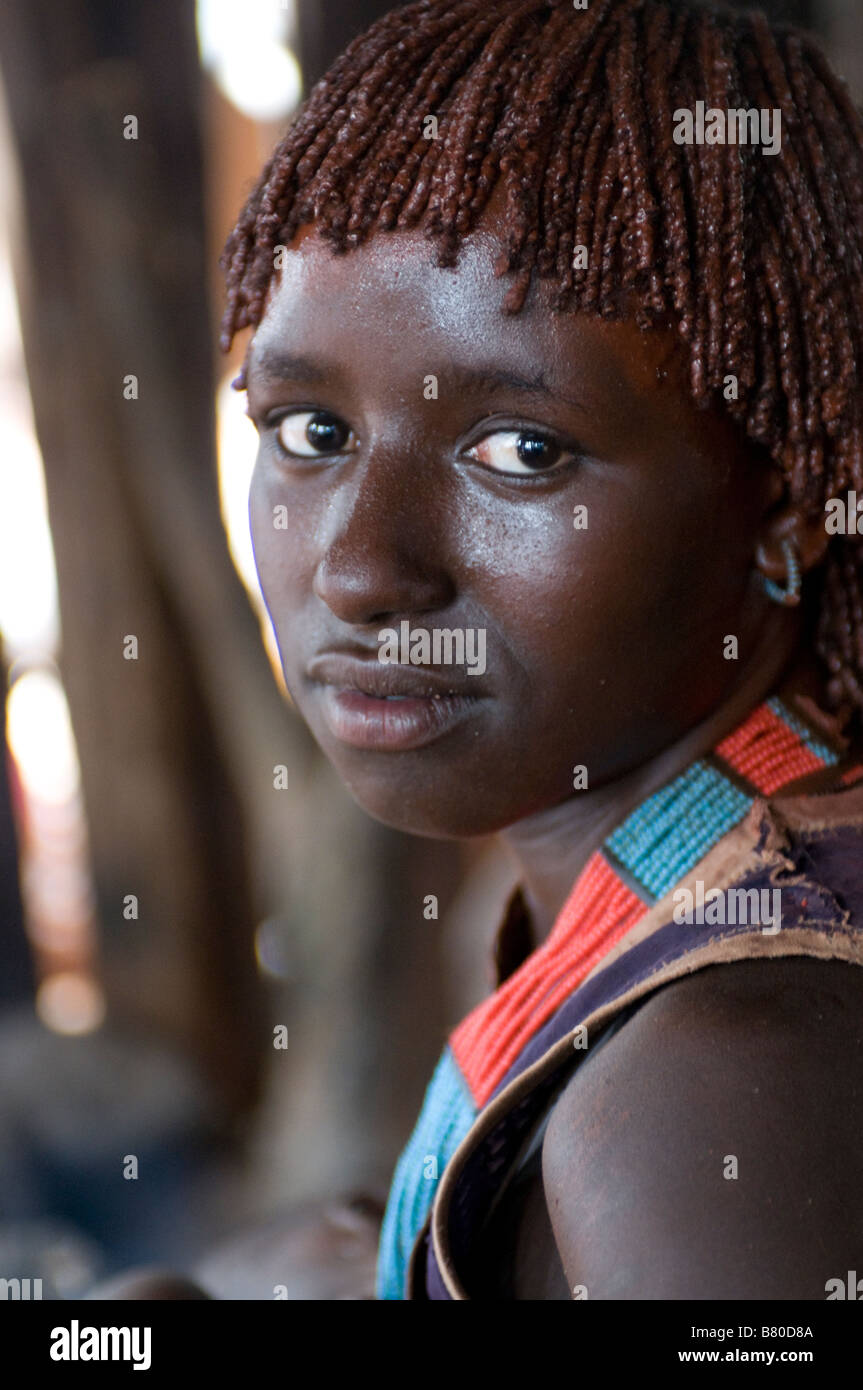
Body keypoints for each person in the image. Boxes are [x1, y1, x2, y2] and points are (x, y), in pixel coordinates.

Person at [219, 0, 863, 1299]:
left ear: (787, 500)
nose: (360, 568)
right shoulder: (676, 910)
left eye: (523, 450)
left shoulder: (717, 1089)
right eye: (307, 430)